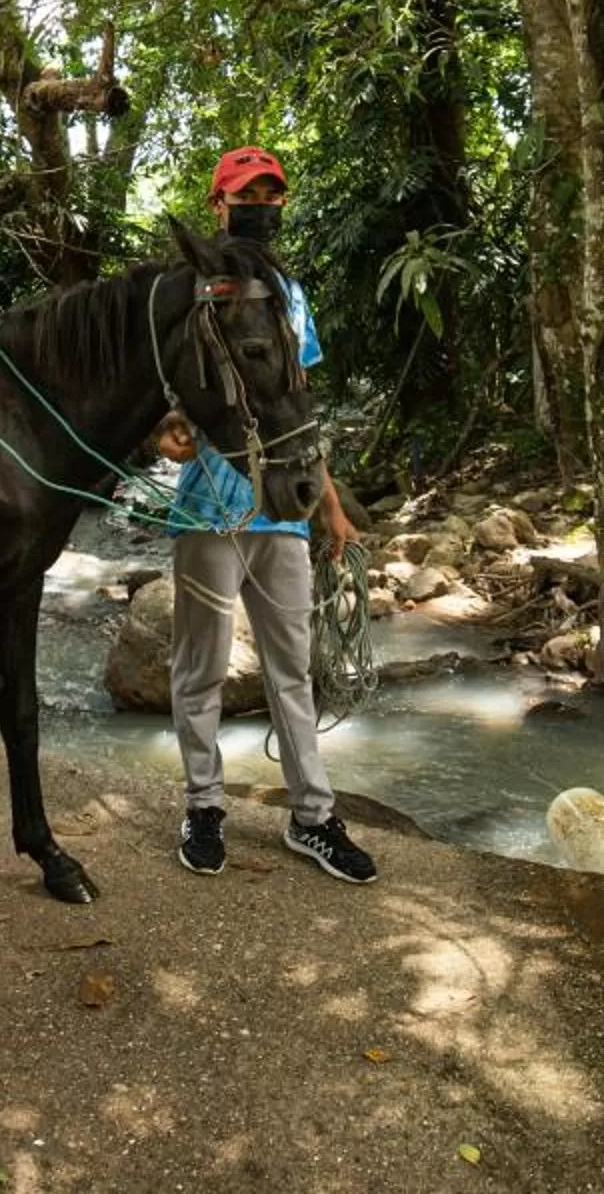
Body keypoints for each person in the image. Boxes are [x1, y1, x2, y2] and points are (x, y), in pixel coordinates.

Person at [151, 146, 378, 885]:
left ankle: (312, 816)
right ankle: (204, 805)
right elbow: (154, 397)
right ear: (219, 206)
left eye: (273, 195)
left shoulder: (292, 295)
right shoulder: (183, 293)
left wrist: (331, 511)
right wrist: (164, 434)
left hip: (282, 512)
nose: (264, 207)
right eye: (250, 195)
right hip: (205, 510)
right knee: (201, 668)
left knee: (292, 671)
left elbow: (295, 406)